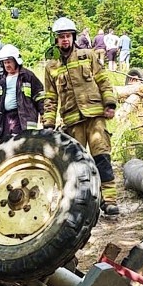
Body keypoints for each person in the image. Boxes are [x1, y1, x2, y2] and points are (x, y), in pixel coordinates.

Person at [43, 17, 120, 216]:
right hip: (72, 122)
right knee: (77, 165)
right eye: (61, 37)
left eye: (68, 36)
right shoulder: (51, 66)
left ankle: (109, 201)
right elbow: (50, 97)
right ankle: (81, 206)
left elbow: (103, 80)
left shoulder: (88, 55)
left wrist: (110, 104)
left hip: (95, 117)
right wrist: (48, 123)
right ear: (56, 40)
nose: (65, 40)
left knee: (102, 158)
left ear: (73, 37)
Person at [0, 44, 44, 143]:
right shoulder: (2, 79)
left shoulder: (27, 76)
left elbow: (39, 95)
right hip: (6, 118)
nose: (7, 65)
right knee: (5, 145)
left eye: (9, 62)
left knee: (22, 145)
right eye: (4, 63)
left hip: (23, 117)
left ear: (16, 61)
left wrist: (44, 113)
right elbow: (1, 97)